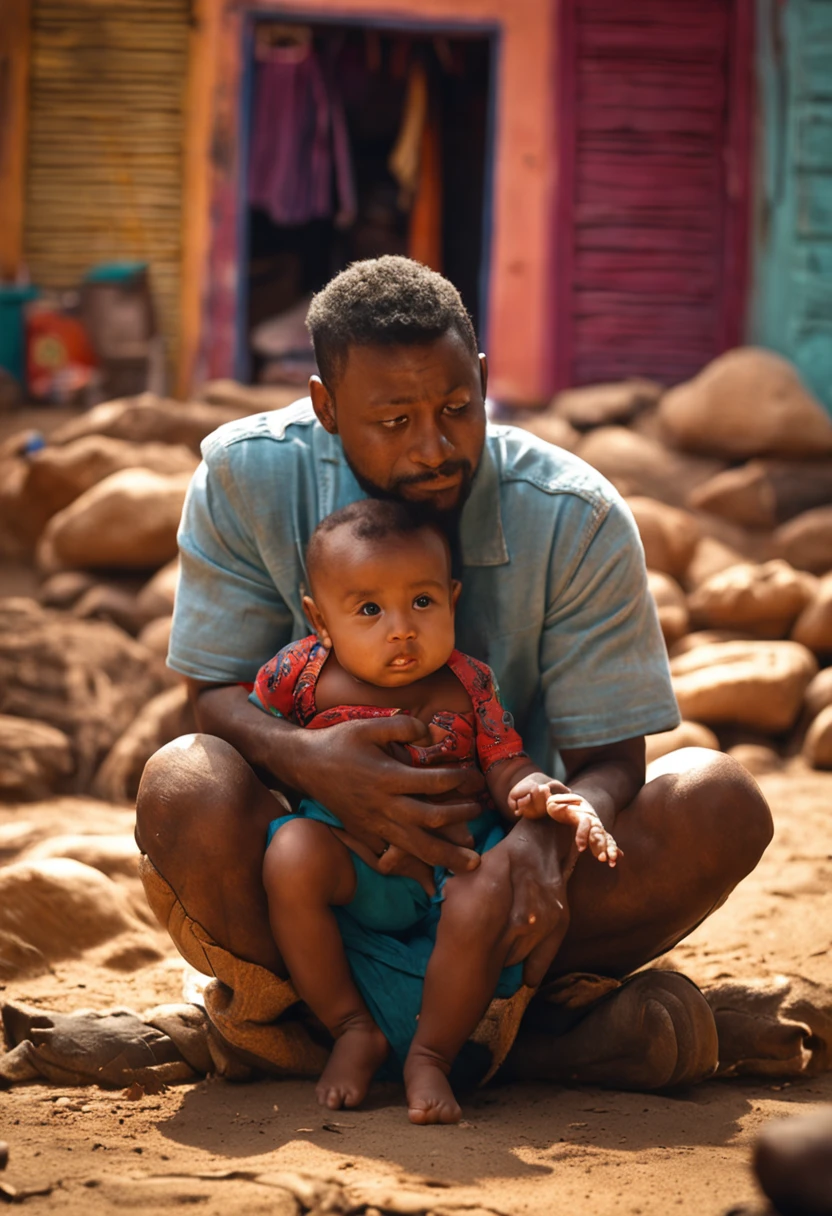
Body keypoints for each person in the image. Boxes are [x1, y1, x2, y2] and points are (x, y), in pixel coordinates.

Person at [136, 255, 773, 1091]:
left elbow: (614, 759)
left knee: (718, 801)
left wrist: (539, 843)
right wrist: (312, 761)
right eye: (393, 421)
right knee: (183, 784)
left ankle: (380, 1031)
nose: (434, 447)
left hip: (496, 886)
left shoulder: (574, 517)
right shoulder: (244, 476)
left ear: (480, 379)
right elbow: (211, 700)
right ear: (326, 407)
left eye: (455, 408)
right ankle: (515, 1044)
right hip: (322, 886)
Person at [256, 499, 620, 1122]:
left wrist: (539, 793)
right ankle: (351, 1027)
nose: (401, 628)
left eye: (422, 603)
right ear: (319, 619)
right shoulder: (298, 676)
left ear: (452, 598)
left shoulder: (470, 683)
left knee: (485, 894)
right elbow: (258, 747)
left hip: (457, 859)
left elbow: (506, 762)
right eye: (369, 610)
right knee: (290, 855)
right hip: (355, 860)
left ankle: (433, 1055)